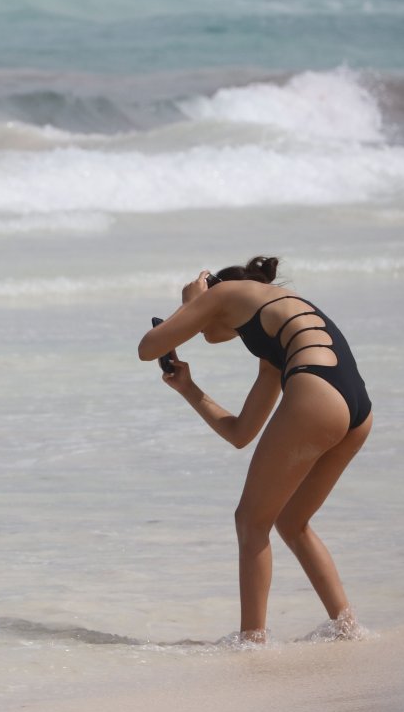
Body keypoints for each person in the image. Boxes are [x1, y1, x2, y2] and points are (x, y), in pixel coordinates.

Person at [139, 256, 372, 644]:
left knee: (250, 521)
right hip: (356, 410)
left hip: (318, 392)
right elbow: (241, 432)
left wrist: (191, 303)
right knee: (291, 522)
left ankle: (252, 642)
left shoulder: (225, 293)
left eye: (199, 320)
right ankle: (348, 628)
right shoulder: (272, 340)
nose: (199, 330)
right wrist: (189, 389)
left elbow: (148, 348)